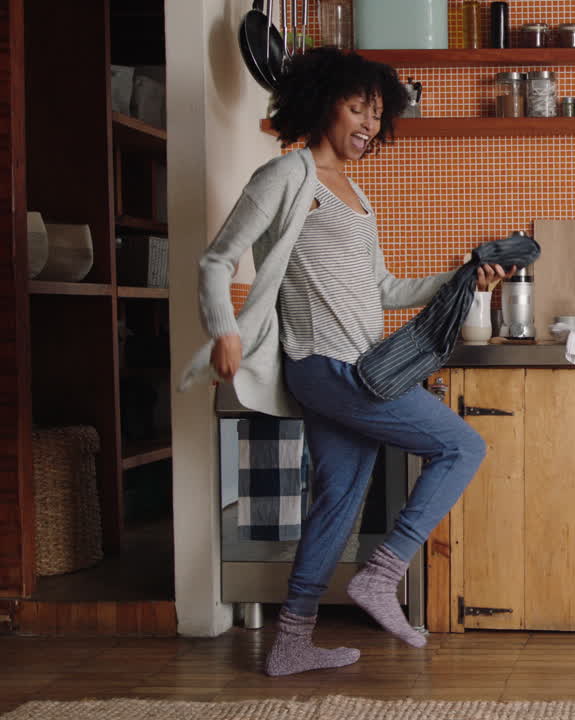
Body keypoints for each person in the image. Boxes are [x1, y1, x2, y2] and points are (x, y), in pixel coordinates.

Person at [186, 48, 512, 676]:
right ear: (321, 103)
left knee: (337, 499)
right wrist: (224, 330)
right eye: (356, 107)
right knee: (462, 447)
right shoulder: (286, 177)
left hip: (358, 366)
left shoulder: (356, 193)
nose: (367, 123)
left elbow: (384, 288)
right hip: (328, 364)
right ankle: (382, 575)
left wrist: (464, 277)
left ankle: (291, 643)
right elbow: (215, 260)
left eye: (377, 113)